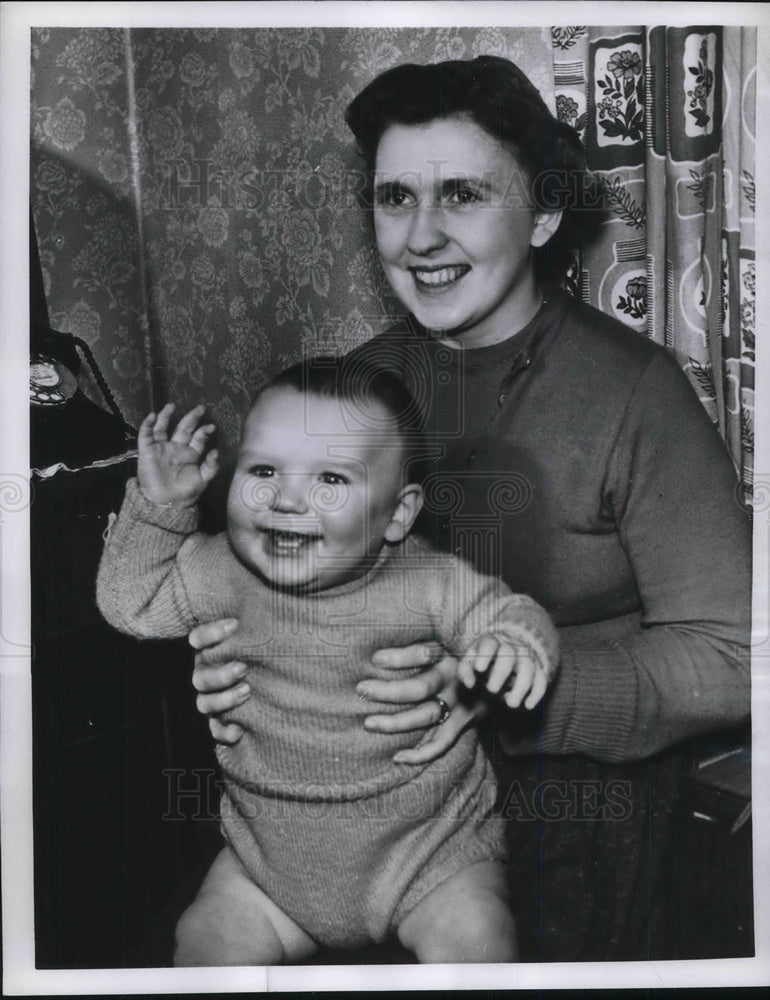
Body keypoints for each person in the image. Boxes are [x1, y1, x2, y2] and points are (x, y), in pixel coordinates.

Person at [189, 56, 752, 961]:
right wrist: (233, 658)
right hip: (350, 791)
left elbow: (733, 658)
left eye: (461, 195)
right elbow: (267, 569)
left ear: (544, 215)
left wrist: (507, 688)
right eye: (393, 198)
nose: (420, 237)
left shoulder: (636, 394)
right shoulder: (356, 386)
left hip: (567, 795)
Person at [97, 357, 561, 965]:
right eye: (263, 469)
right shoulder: (220, 571)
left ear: (398, 514)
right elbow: (129, 605)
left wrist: (516, 645)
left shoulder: (428, 581)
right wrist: (161, 506)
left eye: (331, 481)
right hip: (268, 865)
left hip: (427, 854)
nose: (286, 500)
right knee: (201, 944)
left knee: (478, 938)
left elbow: (509, 613)